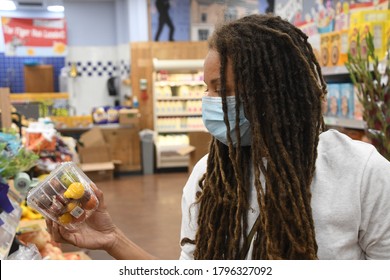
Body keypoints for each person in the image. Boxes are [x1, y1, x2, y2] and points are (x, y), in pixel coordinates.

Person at [47, 14, 390, 260]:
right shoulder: (208, 177)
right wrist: (112, 239)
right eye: (207, 89)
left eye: (222, 89)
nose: (211, 102)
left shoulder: (363, 173)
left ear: (273, 92)